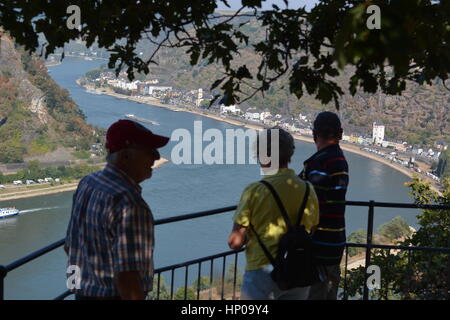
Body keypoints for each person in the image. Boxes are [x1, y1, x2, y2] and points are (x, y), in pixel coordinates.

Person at [64, 119, 169, 300]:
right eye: (149, 150)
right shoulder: (130, 205)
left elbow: (70, 245)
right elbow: (128, 277)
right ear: (126, 156)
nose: (157, 157)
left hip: (83, 294)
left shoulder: (88, 183)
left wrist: (77, 285)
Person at [228, 127, 320, 300]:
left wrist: (249, 235)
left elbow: (235, 242)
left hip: (262, 272)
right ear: (289, 154)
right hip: (298, 270)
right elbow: (312, 229)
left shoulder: (254, 191)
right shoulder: (308, 189)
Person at [299, 111, 349, 300]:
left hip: (318, 243)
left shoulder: (319, 163)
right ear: (341, 133)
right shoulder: (340, 160)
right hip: (336, 240)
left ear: (314, 135)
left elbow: (307, 198)